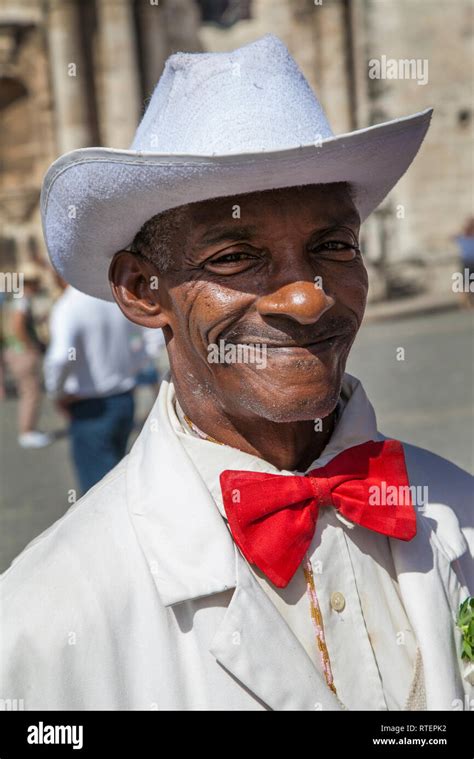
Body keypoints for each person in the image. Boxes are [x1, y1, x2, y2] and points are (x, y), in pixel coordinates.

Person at [1, 35, 472, 711]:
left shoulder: (461, 508)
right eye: (233, 258)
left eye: (333, 246)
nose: (307, 297)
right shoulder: (39, 629)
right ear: (141, 289)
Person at [43, 278, 148, 494]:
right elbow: (147, 339)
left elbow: (60, 357)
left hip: (91, 406)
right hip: (123, 397)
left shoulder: (69, 306)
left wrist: (57, 394)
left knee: (98, 491)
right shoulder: (115, 300)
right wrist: (131, 370)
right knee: (116, 476)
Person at [3, 263, 52, 448]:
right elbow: (17, 325)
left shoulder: (14, 297)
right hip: (21, 352)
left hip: (13, 350)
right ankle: (27, 431)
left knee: (28, 391)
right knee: (31, 392)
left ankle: (28, 429)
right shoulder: (22, 298)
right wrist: (30, 346)